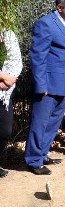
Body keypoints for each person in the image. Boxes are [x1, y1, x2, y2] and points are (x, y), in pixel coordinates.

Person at [25, 0, 65, 174]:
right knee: (40, 123)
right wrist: (41, 85)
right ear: (59, 7)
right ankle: (33, 160)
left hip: (62, 84)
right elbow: (37, 57)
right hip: (48, 86)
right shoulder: (46, 24)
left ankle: (42, 154)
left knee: (53, 124)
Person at [0, 29, 22, 177]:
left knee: (4, 131)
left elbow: (16, 60)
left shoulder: (8, 32)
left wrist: (9, 78)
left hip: (3, 94)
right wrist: (3, 76)